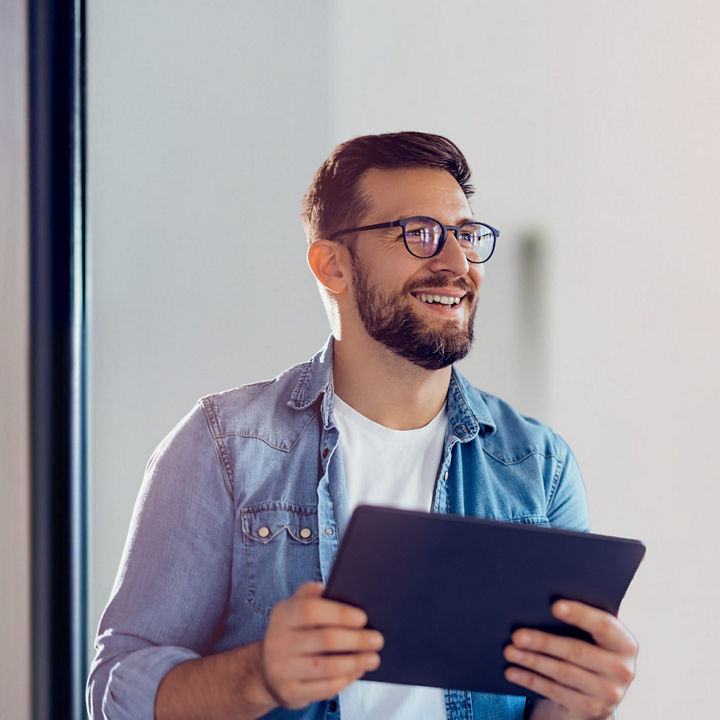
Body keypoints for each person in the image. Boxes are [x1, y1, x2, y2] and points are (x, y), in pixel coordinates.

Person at [87, 132, 638, 720]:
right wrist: (260, 676)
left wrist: (578, 704)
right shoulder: (225, 446)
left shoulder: (539, 466)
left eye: (466, 236)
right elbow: (114, 694)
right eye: (420, 234)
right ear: (333, 266)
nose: (456, 265)